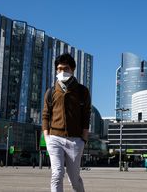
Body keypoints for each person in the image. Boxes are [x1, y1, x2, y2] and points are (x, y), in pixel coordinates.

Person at [42, 53, 91, 192]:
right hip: (54, 138)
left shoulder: (82, 91)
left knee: (74, 179)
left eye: (66, 68)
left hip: (75, 140)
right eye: (59, 68)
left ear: (73, 69)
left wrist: (84, 139)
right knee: (57, 174)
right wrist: (47, 138)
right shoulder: (50, 92)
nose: (62, 72)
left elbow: (86, 116)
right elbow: (45, 115)